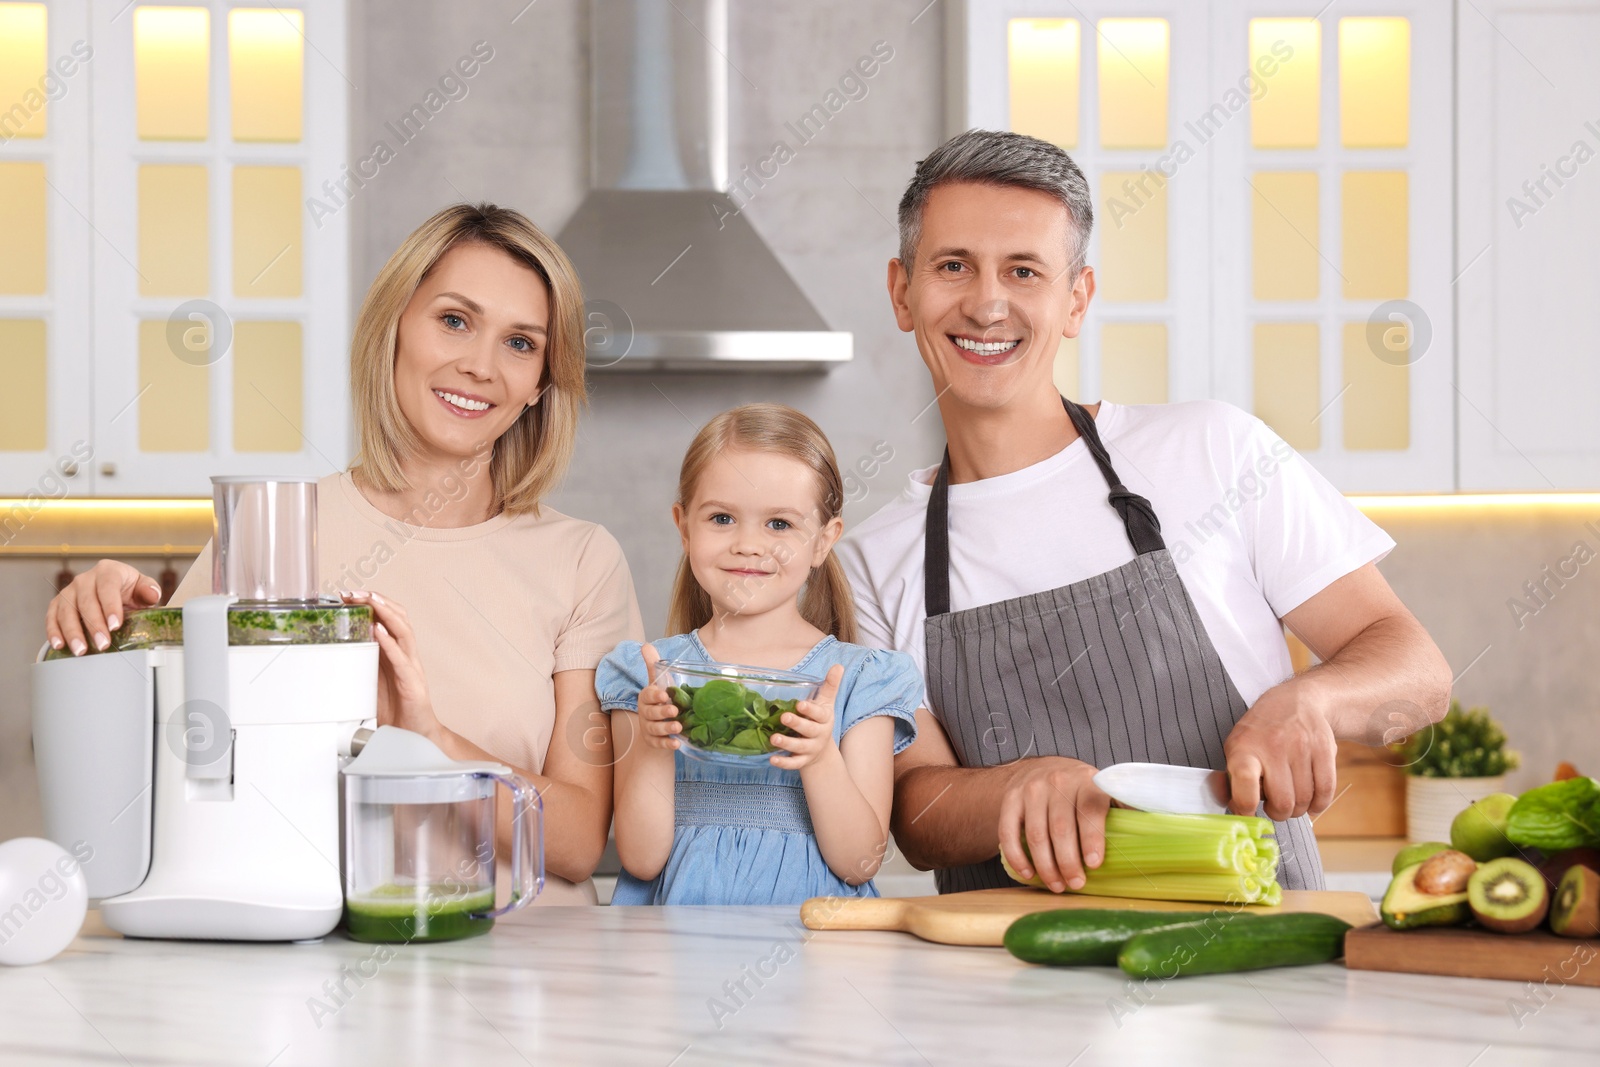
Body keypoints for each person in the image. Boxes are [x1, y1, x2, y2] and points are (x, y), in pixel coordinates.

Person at [835, 130, 1453, 895]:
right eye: (953, 266)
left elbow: (1419, 674)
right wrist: (1014, 791)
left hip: (1264, 975)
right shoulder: (870, 560)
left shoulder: (1213, 450)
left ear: (1076, 299)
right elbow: (917, 810)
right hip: (1007, 990)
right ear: (903, 291)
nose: (987, 303)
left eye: (1023, 270)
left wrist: (1312, 697)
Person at [42, 204, 642, 905]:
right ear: (392, 329)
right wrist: (106, 638)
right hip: (315, 961)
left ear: (540, 382)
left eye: (520, 343)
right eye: (454, 320)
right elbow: (172, 775)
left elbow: (573, 843)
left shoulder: (580, 561)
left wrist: (431, 739)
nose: (479, 364)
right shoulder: (274, 528)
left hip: (530, 973)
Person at [595, 404, 921, 905]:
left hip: (813, 960)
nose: (748, 544)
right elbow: (641, 859)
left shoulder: (858, 679)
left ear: (823, 541)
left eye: (779, 525)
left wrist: (818, 758)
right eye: (722, 518)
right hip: (675, 961)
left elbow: (859, 863)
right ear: (684, 527)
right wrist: (651, 744)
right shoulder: (646, 675)